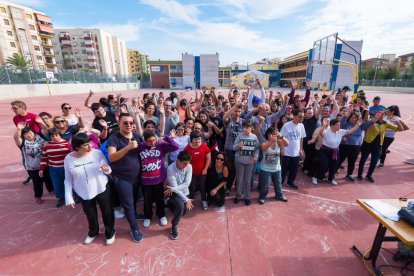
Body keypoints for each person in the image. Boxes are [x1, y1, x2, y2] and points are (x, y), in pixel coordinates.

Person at [64, 133, 116, 245]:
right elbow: (68, 179)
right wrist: (68, 197)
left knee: (107, 212)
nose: (91, 146)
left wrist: (106, 169)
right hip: (83, 191)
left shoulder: (97, 153)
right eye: (86, 145)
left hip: (101, 188)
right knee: (90, 213)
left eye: (90, 143)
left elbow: (108, 170)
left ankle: (110, 232)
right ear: (77, 147)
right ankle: (93, 231)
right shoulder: (68, 159)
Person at [107, 113, 143, 243]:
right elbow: (111, 157)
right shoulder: (114, 139)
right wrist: (127, 148)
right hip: (122, 179)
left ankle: (133, 216)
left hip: (136, 177)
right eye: (125, 122)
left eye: (131, 123)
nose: (129, 125)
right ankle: (134, 228)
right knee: (128, 204)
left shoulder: (138, 137)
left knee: (133, 200)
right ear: (119, 124)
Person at [139, 130, 179, 228]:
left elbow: (175, 146)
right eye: (149, 141)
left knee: (159, 199)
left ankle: (161, 215)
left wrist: (166, 137)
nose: (152, 143)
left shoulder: (160, 145)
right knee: (147, 200)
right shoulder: (140, 146)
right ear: (145, 141)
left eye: (154, 140)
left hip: (158, 179)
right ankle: (148, 216)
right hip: (145, 180)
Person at [312, 118, 362, 185]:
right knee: (323, 164)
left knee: (334, 166)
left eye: (339, 125)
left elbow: (349, 131)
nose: (339, 126)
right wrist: (324, 126)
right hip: (325, 151)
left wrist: (357, 126)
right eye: (337, 125)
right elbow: (321, 133)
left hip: (335, 151)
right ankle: (315, 177)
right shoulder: (327, 131)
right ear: (332, 125)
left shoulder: (340, 131)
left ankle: (331, 179)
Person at [358, 110, 404, 182]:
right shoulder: (371, 121)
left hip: (378, 145)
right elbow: (365, 120)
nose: (381, 115)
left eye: (383, 114)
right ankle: (359, 175)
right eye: (379, 113)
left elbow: (400, 129)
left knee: (374, 162)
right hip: (367, 143)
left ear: (384, 116)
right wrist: (367, 112)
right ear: (376, 114)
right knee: (363, 160)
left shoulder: (385, 123)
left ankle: (369, 175)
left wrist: (397, 121)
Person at [14, 125, 47, 203]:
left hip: (45, 164)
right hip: (33, 167)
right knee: (37, 182)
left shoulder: (40, 137)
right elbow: (16, 138)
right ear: (23, 136)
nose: (29, 135)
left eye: (30, 133)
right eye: (26, 134)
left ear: (33, 133)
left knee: (48, 179)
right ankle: (38, 196)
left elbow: (45, 129)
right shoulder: (23, 143)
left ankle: (51, 190)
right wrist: (19, 129)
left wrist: (40, 122)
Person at [39, 127, 71, 207]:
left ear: (60, 135)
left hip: (67, 168)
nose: (55, 137)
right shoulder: (46, 146)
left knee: (70, 182)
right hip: (54, 169)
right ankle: (61, 198)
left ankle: (73, 196)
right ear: (50, 137)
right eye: (52, 136)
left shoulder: (68, 144)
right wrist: (41, 169)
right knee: (57, 184)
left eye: (56, 135)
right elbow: (44, 158)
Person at [165, 151, 194, 240]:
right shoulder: (170, 168)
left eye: (187, 164)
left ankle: (169, 202)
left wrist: (173, 189)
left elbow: (187, 184)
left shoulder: (189, 166)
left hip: (178, 190)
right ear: (178, 161)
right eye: (184, 164)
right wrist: (186, 199)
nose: (186, 166)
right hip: (175, 193)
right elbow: (175, 187)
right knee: (180, 206)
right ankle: (174, 225)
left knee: (183, 212)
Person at [258, 127, 289, 204]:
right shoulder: (264, 142)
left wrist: (281, 136)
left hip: (277, 168)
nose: (272, 135)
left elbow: (287, 143)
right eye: (271, 134)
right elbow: (263, 148)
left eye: (274, 134)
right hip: (265, 169)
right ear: (267, 134)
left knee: (278, 184)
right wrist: (271, 141)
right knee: (265, 185)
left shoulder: (278, 142)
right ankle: (262, 196)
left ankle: (279, 195)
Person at [233, 120, 259, 206]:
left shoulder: (254, 137)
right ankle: (238, 196)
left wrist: (256, 155)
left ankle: (247, 197)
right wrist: (238, 146)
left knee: (248, 180)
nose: (245, 129)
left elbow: (257, 148)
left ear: (251, 128)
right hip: (239, 161)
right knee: (239, 179)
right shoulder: (240, 136)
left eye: (247, 127)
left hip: (250, 162)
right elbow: (234, 147)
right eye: (243, 127)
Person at [184, 130, 211, 210]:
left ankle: (204, 200)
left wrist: (205, 169)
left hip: (202, 172)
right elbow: (185, 160)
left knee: (202, 187)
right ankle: (190, 201)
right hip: (191, 173)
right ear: (191, 139)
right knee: (192, 187)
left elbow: (208, 157)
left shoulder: (204, 146)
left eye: (199, 138)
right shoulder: (187, 148)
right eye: (195, 139)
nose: (197, 141)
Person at [280, 109, 306, 190]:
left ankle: (290, 182)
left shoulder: (301, 126)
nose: (301, 118)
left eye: (302, 117)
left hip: (296, 152)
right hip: (286, 152)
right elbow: (280, 138)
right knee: (283, 169)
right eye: (300, 117)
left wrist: (301, 150)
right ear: (293, 116)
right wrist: (281, 149)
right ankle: (280, 182)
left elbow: (301, 138)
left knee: (294, 169)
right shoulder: (286, 126)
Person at [222, 102, 243, 196]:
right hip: (230, 149)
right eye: (235, 111)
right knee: (231, 169)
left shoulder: (243, 122)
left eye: (239, 111)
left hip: (239, 149)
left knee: (239, 169)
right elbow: (224, 117)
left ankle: (237, 186)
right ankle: (228, 187)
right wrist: (234, 106)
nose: (237, 113)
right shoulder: (229, 120)